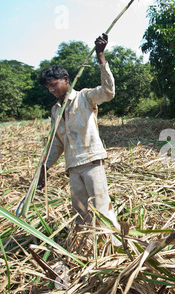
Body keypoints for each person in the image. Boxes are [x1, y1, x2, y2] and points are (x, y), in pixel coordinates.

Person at [38, 33, 121, 244]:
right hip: (73, 167)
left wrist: (101, 57)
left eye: (54, 84)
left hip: (92, 162)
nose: (52, 89)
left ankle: (115, 248)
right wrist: (45, 168)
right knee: (81, 213)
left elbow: (108, 92)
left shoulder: (85, 97)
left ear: (66, 80)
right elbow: (57, 143)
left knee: (102, 208)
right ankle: (87, 248)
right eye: (48, 87)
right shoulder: (56, 110)